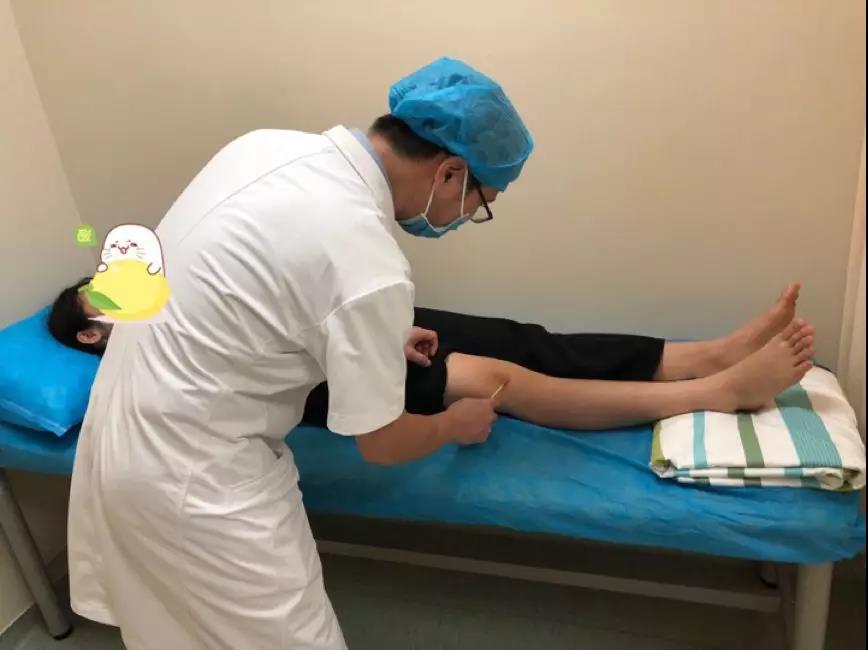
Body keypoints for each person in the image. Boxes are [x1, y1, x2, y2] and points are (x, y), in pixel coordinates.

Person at [51, 277, 815, 433]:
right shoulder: (138, 359)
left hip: (336, 337)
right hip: (316, 383)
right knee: (497, 377)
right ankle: (711, 392)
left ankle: (705, 355)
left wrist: (378, 328)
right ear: (92, 335)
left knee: (515, 336)